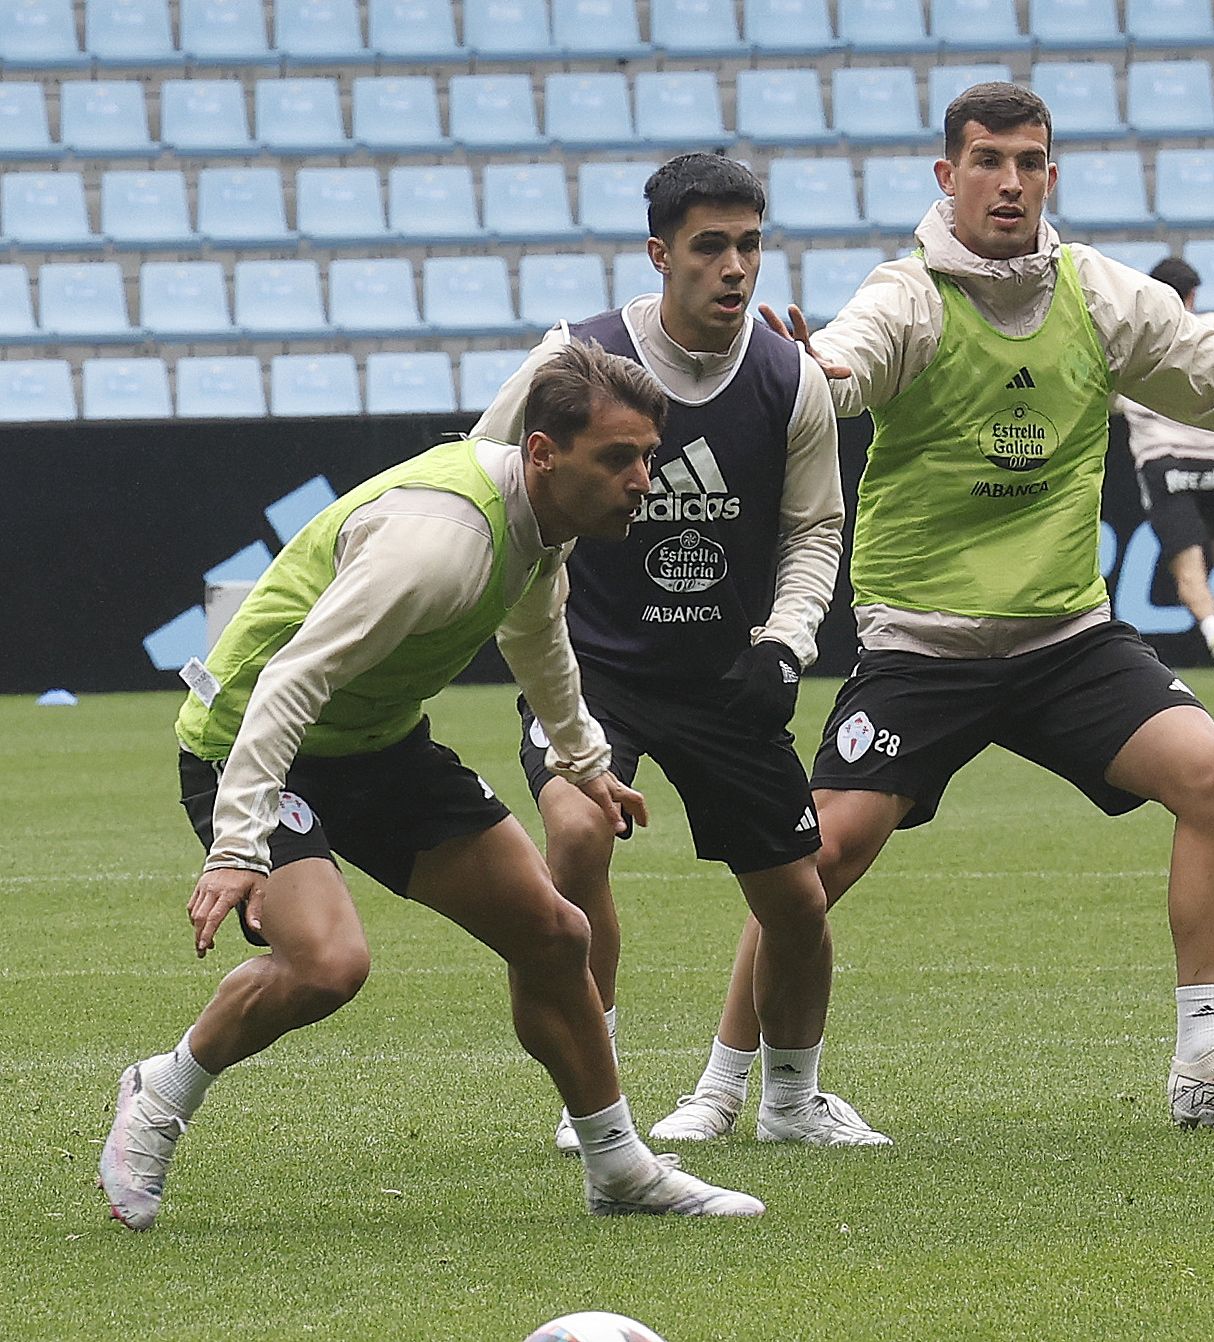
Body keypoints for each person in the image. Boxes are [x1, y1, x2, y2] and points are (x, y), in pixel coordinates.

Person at [648, 81, 1214, 1141]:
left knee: (1213, 778)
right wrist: (814, 367)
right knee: (817, 856)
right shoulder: (909, 295)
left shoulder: (1100, 295)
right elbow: (849, 359)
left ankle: (1204, 1060)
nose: (1010, 182)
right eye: (987, 161)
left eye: (1029, 162)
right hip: (926, 638)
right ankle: (724, 1089)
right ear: (945, 174)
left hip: (1064, 638)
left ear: (1050, 173)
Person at [99, 343, 763, 1230]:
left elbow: (536, 637)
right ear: (542, 454)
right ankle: (160, 1093)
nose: (642, 480)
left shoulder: (538, 525)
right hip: (253, 745)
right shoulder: (441, 545)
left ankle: (617, 1167)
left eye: (648, 456)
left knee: (554, 934)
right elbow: (289, 684)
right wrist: (237, 847)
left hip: (378, 744)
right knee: (327, 965)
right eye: (617, 458)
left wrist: (584, 763)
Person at [471, 155, 882, 1149]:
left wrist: (785, 644)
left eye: (748, 245)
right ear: (661, 255)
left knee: (797, 898)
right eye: (709, 247)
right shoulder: (577, 358)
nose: (734, 266)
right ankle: (592, 1085)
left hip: (723, 676)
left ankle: (790, 1101)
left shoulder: (789, 377)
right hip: (594, 670)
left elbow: (816, 530)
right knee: (573, 837)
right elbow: (483, 476)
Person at [1117, 257, 1214, 677]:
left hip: (1164, 462)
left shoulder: (1134, 342)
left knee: (1187, 564)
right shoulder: (1212, 337)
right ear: (1192, 295)